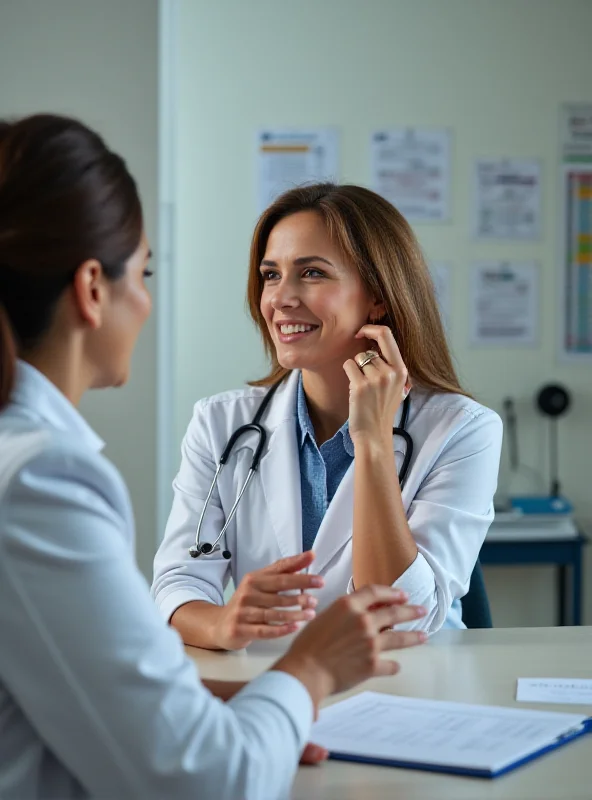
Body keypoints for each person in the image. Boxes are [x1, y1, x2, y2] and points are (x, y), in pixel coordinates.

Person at [0, 115, 428, 800]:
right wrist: (308, 672)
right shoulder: (43, 477)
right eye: (143, 272)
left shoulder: (23, 458)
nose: (145, 299)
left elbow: (64, 675)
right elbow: (210, 781)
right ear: (90, 289)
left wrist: (232, 699)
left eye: (310, 274)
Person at [152, 182, 503, 651]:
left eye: (312, 273)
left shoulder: (463, 430)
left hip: (409, 690)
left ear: (377, 296)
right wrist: (223, 625)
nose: (281, 298)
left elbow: (398, 619)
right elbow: (178, 584)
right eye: (271, 275)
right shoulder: (221, 424)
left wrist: (374, 441)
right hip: (277, 687)